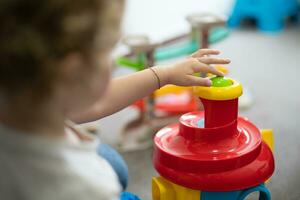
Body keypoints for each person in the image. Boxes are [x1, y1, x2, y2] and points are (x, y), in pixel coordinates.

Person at [0, 0, 230, 199]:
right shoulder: (82, 187)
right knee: (113, 171)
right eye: (110, 52)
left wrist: (164, 74)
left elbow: (97, 102)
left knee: (114, 163)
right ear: (73, 71)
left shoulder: (23, 94)